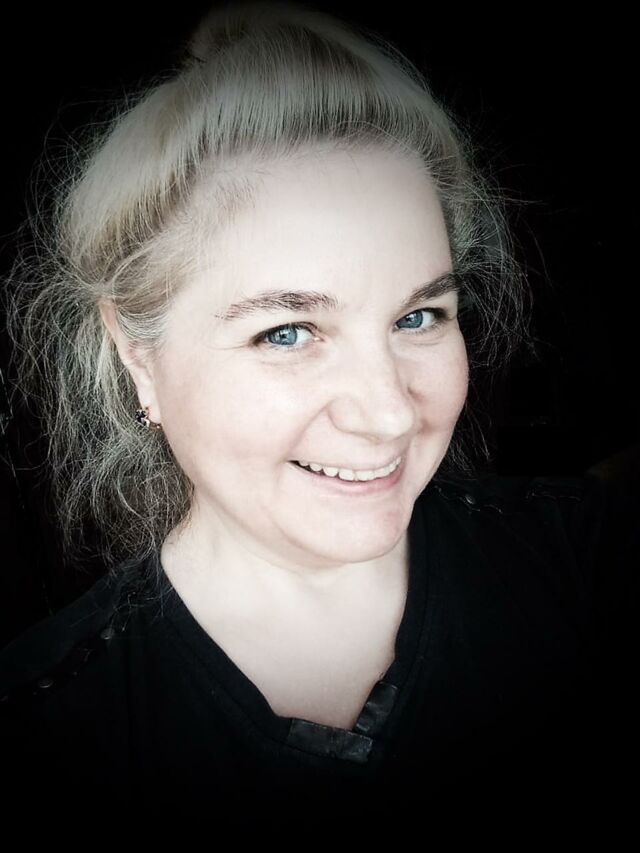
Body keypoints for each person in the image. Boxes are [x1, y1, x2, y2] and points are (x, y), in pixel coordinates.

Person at [0, 0, 637, 832]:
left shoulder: (588, 561)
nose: (388, 414)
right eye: (288, 332)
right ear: (137, 354)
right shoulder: (45, 726)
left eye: (419, 316)